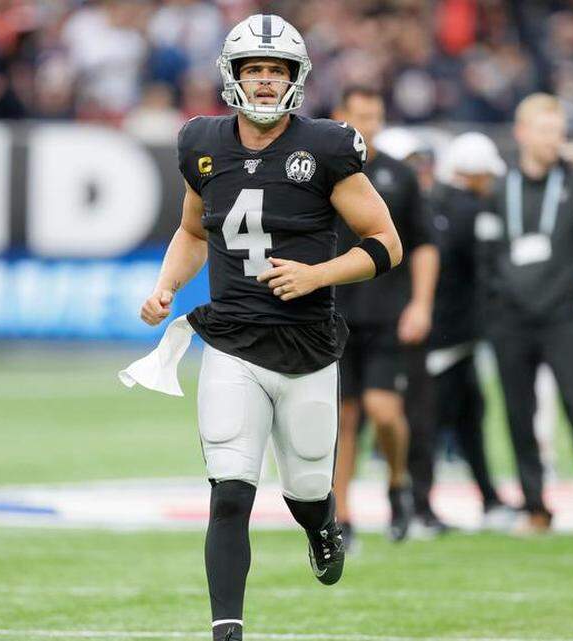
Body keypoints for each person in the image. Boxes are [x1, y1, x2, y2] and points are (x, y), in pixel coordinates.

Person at [129, 15, 401, 641]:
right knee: (230, 491)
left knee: (306, 490)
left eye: (276, 70)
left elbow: (386, 243)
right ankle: (227, 628)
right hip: (232, 339)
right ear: (233, 75)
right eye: (254, 69)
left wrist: (317, 274)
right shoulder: (202, 143)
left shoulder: (327, 147)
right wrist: (167, 286)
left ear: (296, 78)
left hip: (307, 345)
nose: (265, 81)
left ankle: (321, 524)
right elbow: (194, 230)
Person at [475, 93, 573, 534]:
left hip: (564, 317)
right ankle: (535, 508)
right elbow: (486, 258)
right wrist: (499, 306)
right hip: (512, 321)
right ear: (522, 133)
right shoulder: (498, 189)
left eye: (558, 132)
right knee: (519, 416)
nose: (553, 140)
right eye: (545, 131)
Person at [330, 86, 440, 545]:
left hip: (387, 315)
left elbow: (424, 245)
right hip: (334, 316)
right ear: (341, 116)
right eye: (360, 115)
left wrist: (421, 304)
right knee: (343, 418)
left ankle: (398, 482)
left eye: (375, 116)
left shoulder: (399, 175)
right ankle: (342, 517)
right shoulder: (320, 171)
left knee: (383, 410)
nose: (368, 125)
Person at [420, 132, 519, 531]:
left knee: (466, 415)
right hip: (454, 331)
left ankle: (487, 498)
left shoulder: (435, 203)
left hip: (444, 331)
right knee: (438, 419)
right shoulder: (470, 210)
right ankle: (419, 505)